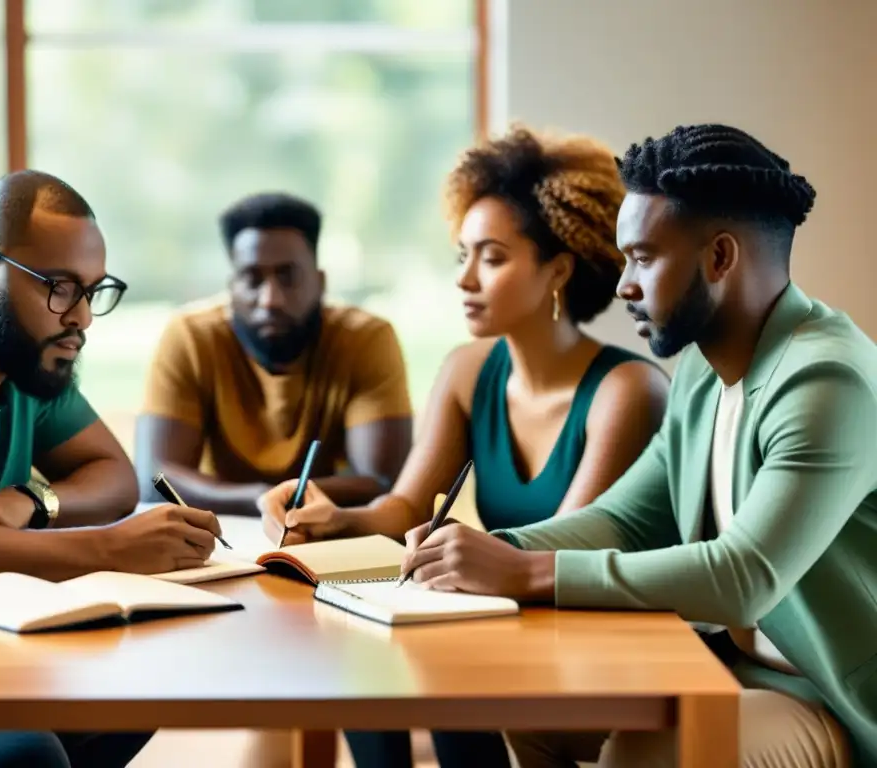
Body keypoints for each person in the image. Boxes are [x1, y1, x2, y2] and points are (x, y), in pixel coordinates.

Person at [397, 123, 877, 767]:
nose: (624, 284)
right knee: (529, 711)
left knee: (650, 752)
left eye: (644, 258)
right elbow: (628, 518)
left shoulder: (828, 380)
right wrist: (483, 552)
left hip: (829, 699)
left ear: (719, 258)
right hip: (727, 666)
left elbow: (744, 577)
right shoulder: (706, 371)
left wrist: (525, 573)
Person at [258, 126, 671, 768]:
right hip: (514, 621)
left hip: (599, 630)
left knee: (437, 672)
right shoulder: (467, 371)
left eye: (493, 257)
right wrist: (336, 518)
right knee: (363, 653)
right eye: (462, 256)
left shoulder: (628, 391)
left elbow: (568, 542)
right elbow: (403, 508)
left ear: (558, 268)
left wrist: (460, 560)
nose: (465, 280)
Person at [0, 170, 225, 767]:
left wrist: (32, 500)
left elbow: (113, 475)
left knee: (132, 698)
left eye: (92, 291)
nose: (82, 317)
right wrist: (111, 549)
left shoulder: (23, 358)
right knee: (29, 755)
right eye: (60, 287)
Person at [135, 191, 414, 517]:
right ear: (232, 286)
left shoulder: (366, 340)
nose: (270, 299)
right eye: (252, 279)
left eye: (288, 277)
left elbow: (382, 482)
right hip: (223, 537)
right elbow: (155, 479)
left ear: (320, 281)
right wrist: (259, 498)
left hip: (326, 534)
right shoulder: (191, 338)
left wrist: (276, 497)